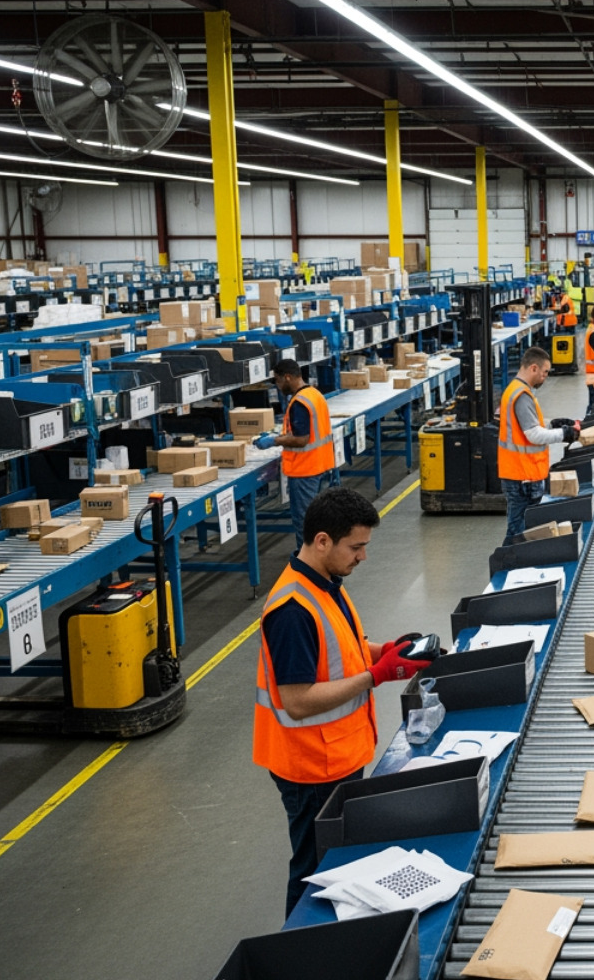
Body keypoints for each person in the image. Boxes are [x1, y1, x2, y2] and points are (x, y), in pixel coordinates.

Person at [253, 486, 428, 916]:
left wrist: (385, 650)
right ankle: (298, 951)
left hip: (337, 753)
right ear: (323, 541)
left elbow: (341, 648)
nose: (362, 556)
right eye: (357, 547)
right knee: (314, 869)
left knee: (335, 859)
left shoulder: (326, 581)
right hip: (311, 767)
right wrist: (377, 675)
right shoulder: (292, 610)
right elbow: (297, 700)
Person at [253, 359, 334, 551]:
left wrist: (274, 441)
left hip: (305, 470)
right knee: (319, 521)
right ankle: (322, 562)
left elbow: (302, 439)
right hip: (321, 464)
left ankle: (310, 568)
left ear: (287, 377)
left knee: (306, 524)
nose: (278, 386)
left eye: (278, 381)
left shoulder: (299, 402)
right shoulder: (314, 394)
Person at [498, 347, 577, 538]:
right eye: (545, 373)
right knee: (519, 532)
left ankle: (512, 561)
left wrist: (552, 425)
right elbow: (533, 434)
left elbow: (525, 428)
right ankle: (509, 562)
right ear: (534, 368)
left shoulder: (514, 390)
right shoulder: (521, 396)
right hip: (522, 475)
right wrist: (564, 434)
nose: (545, 377)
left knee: (521, 528)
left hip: (519, 473)